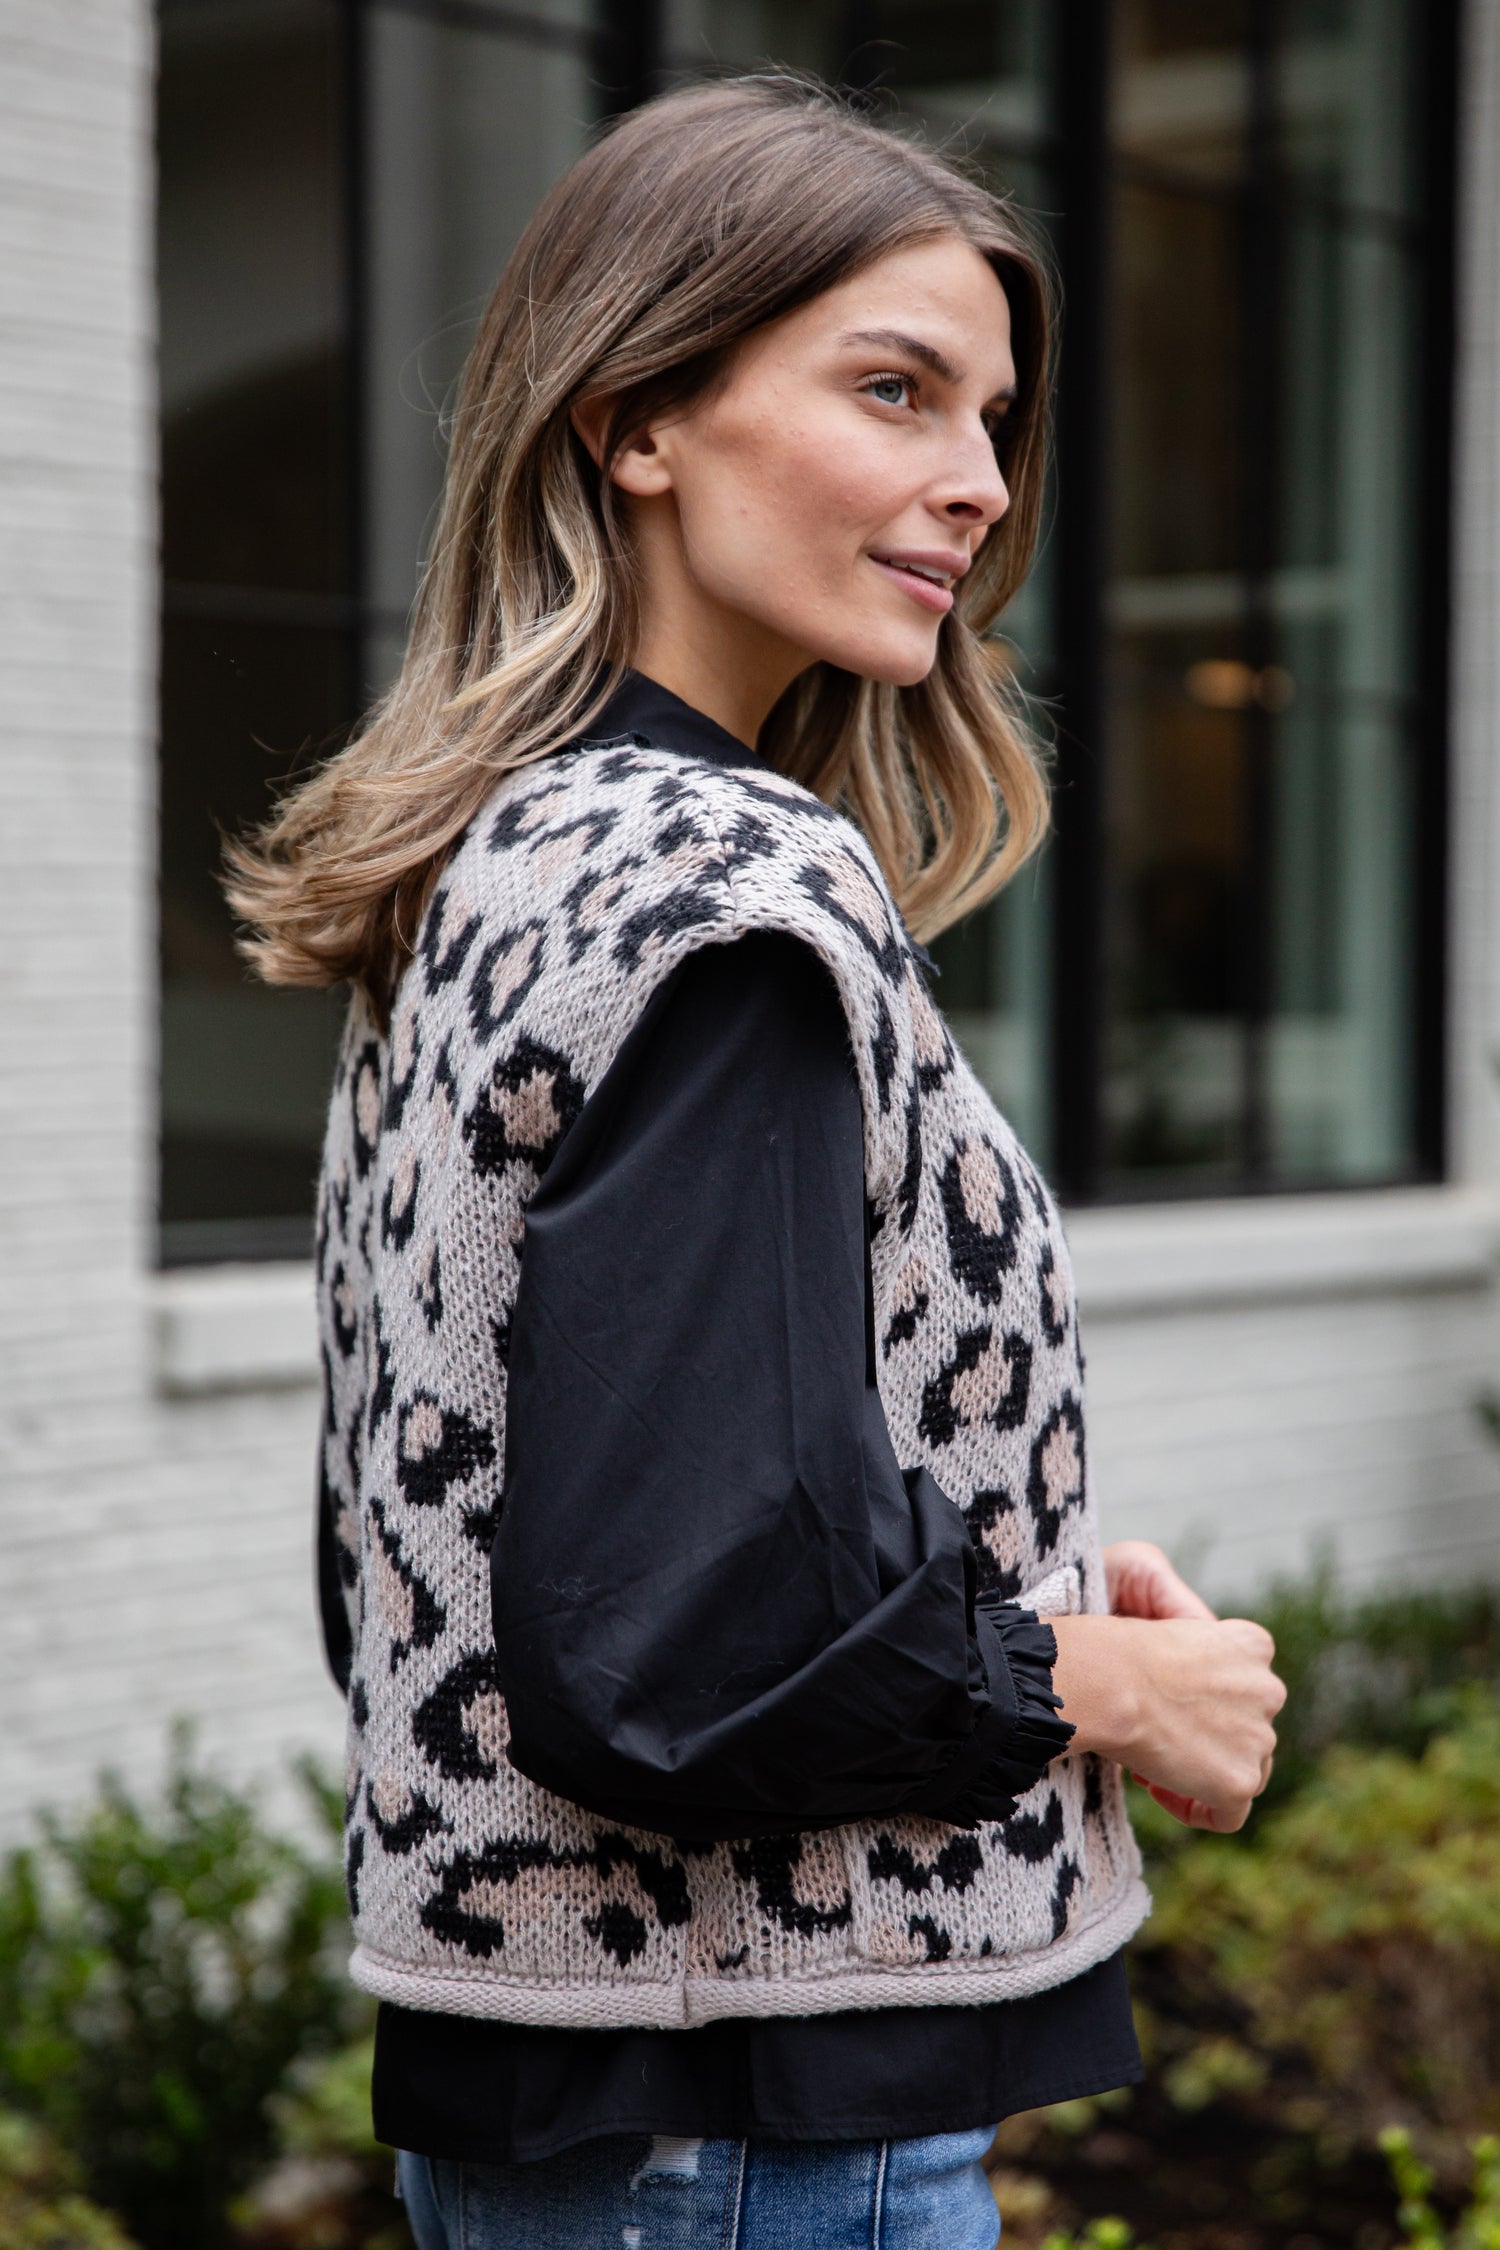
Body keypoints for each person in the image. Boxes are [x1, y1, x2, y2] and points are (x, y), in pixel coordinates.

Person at [227, 74, 1286, 2250]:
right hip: (741, 2118)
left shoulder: (500, 861)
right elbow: (682, 1641)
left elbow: (505, 1517)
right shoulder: (723, 897)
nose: (977, 485)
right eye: (894, 390)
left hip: (603, 2099)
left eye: (994, 420)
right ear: (638, 412)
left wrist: (1016, 1584)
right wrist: (1101, 1682)